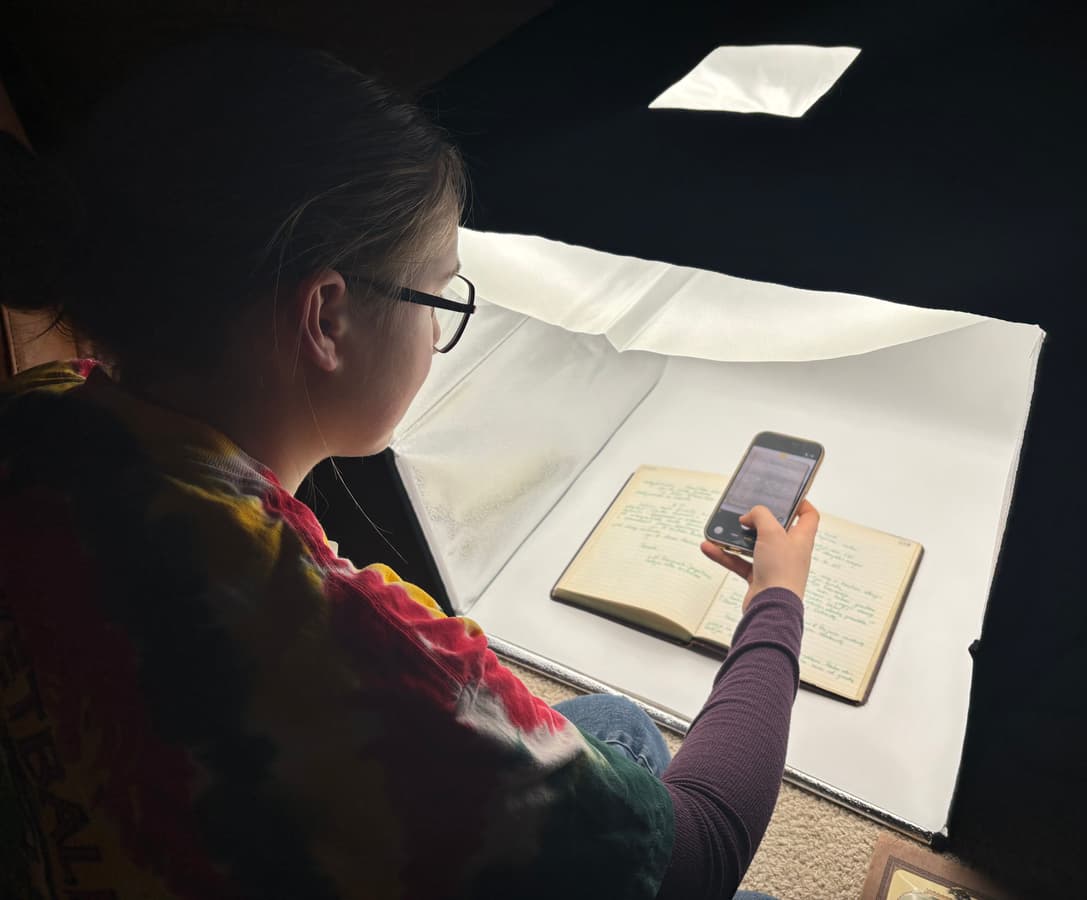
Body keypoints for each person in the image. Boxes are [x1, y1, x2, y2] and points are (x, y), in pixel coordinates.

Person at [0, 33, 818, 900]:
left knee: (621, 731)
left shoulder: (39, 412)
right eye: (438, 295)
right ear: (327, 318)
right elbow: (703, 852)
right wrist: (776, 605)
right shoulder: (370, 657)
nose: (437, 332)